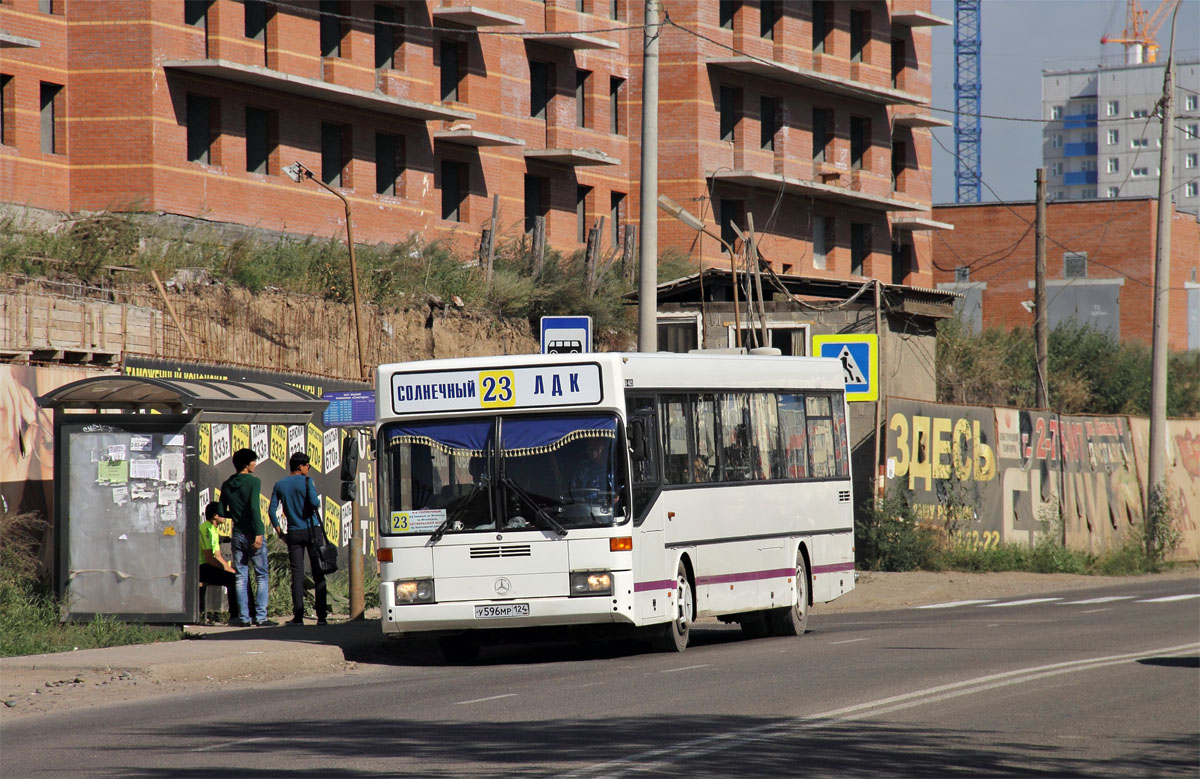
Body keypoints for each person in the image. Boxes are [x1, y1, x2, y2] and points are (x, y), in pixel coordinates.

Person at [268, 452, 327, 626]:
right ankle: (321, 617)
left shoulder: (280, 484)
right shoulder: (308, 481)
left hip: (293, 532)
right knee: (318, 572)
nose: (309, 468)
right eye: (308, 465)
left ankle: (298, 616)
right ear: (300, 466)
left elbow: (271, 511)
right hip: (312, 530)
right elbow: (315, 504)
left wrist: (281, 533)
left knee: (297, 574)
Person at [219, 448, 275, 627]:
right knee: (261, 575)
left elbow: (220, 512)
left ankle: (244, 618)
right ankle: (260, 617)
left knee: (240, 577)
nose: (255, 464)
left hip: (237, 535)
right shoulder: (253, 481)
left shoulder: (227, 484)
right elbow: (253, 508)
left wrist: (236, 515)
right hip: (252, 533)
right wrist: (259, 533)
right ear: (246, 464)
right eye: (253, 461)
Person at [198, 502, 238, 623]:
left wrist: (230, 569)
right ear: (215, 515)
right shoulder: (206, 529)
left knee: (235, 577)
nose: (225, 516)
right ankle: (234, 616)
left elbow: (219, 556)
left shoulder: (214, 529)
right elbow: (210, 559)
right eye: (222, 514)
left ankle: (240, 614)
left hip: (208, 566)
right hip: (200, 567)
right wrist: (226, 570)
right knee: (232, 580)